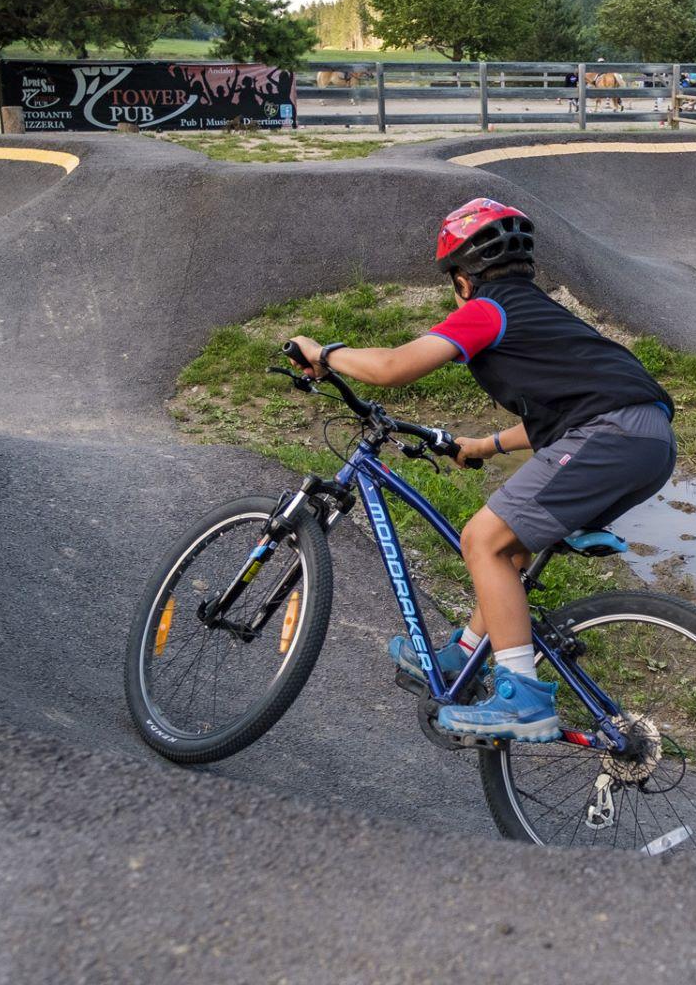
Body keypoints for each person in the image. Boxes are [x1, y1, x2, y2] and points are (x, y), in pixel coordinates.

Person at [289, 199, 676, 742]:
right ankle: (460, 657)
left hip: (610, 435)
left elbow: (392, 368)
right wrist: (487, 445)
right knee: (510, 550)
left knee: (482, 540)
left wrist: (325, 352)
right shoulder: (545, 314)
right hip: (649, 439)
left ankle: (522, 699)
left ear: (462, 280)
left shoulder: (488, 309)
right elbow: (565, 413)